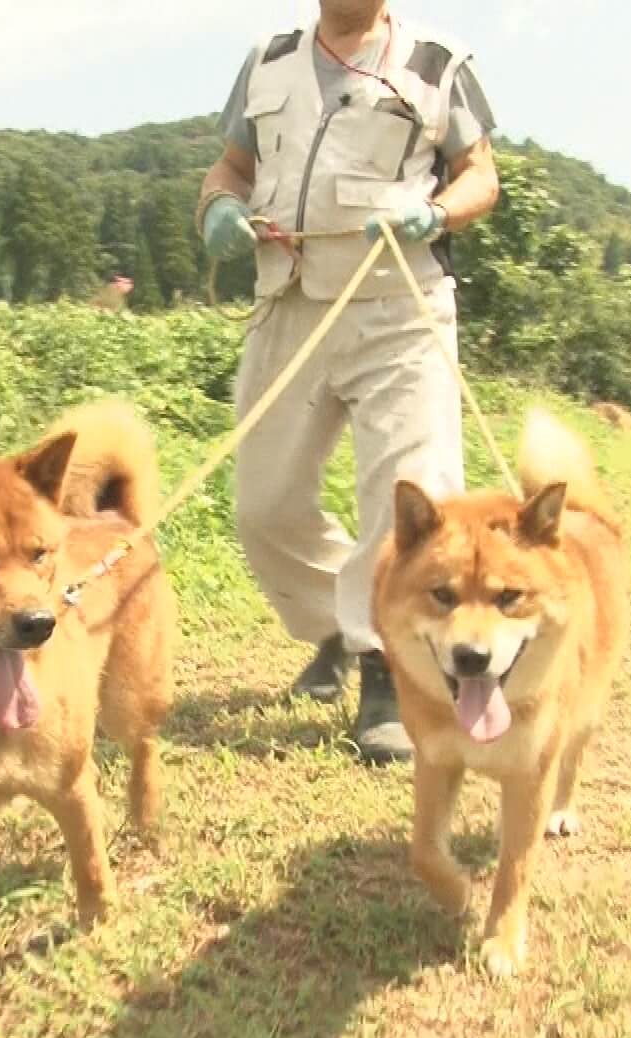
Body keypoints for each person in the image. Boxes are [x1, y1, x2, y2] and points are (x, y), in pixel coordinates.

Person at [197, 1, 500, 764]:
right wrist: (222, 209)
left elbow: (481, 177)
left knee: (410, 498)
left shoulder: (436, 61)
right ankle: (339, 623)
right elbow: (230, 168)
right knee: (264, 507)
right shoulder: (268, 60)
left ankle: (391, 675)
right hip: (289, 303)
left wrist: (434, 214)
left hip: (398, 306)